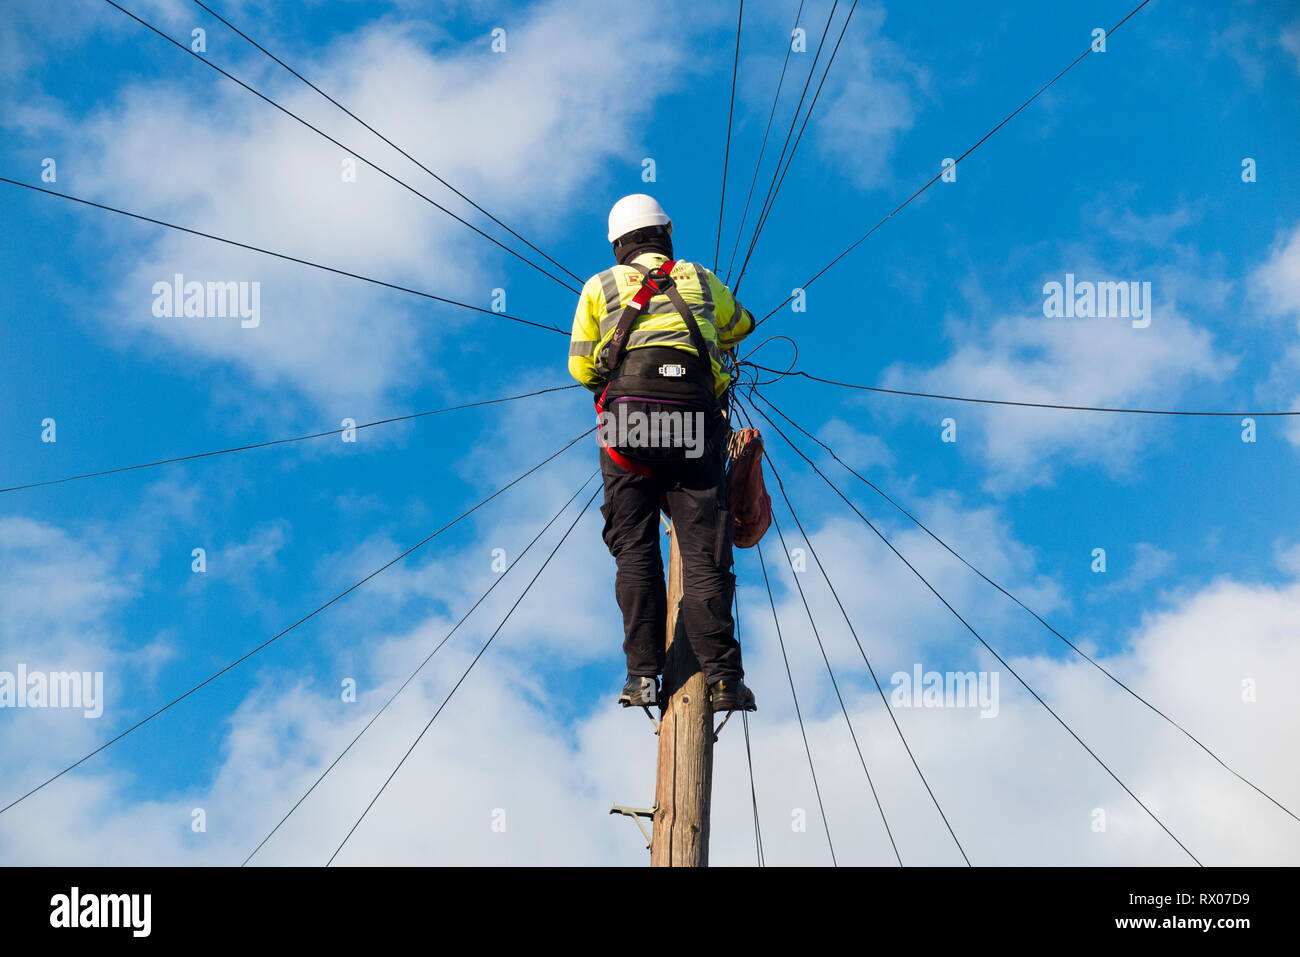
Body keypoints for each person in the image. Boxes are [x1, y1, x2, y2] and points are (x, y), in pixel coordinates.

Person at [568, 194, 758, 714]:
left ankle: (641, 678)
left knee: (635, 550)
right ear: (666, 235)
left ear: (617, 247)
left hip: (626, 430)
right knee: (703, 553)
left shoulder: (599, 287)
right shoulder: (697, 276)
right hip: (695, 424)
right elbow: (743, 324)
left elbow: (582, 369)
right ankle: (723, 680)